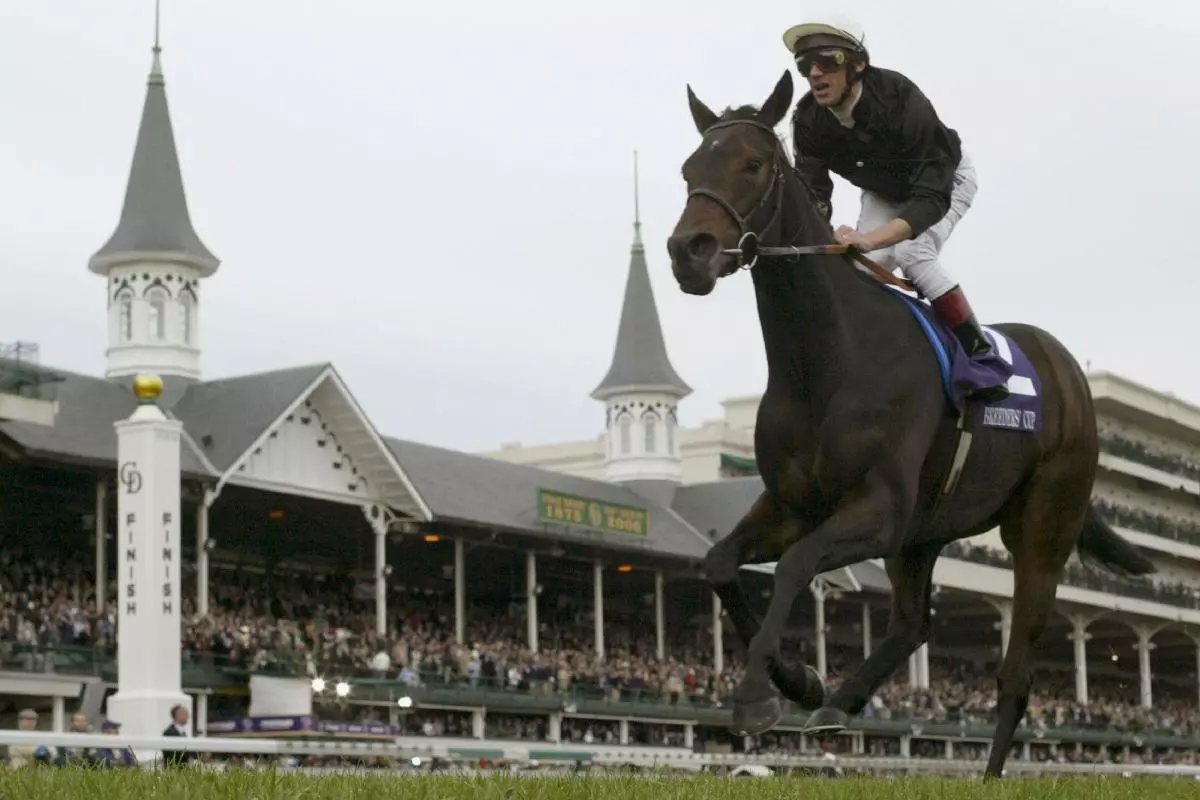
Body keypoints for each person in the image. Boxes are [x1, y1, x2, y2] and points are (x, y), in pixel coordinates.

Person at [783, 18, 1008, 401]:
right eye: (805, 64)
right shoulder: (807, 120)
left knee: (912, 254)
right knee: (855, 271)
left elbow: (930, 198)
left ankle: (980, 357)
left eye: (828, 60)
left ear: (858, 64)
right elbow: (814, 195)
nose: (815, 73)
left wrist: (871, 239)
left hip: (944, 181)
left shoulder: (900, 97)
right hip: (883, 193)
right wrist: (828, 232)